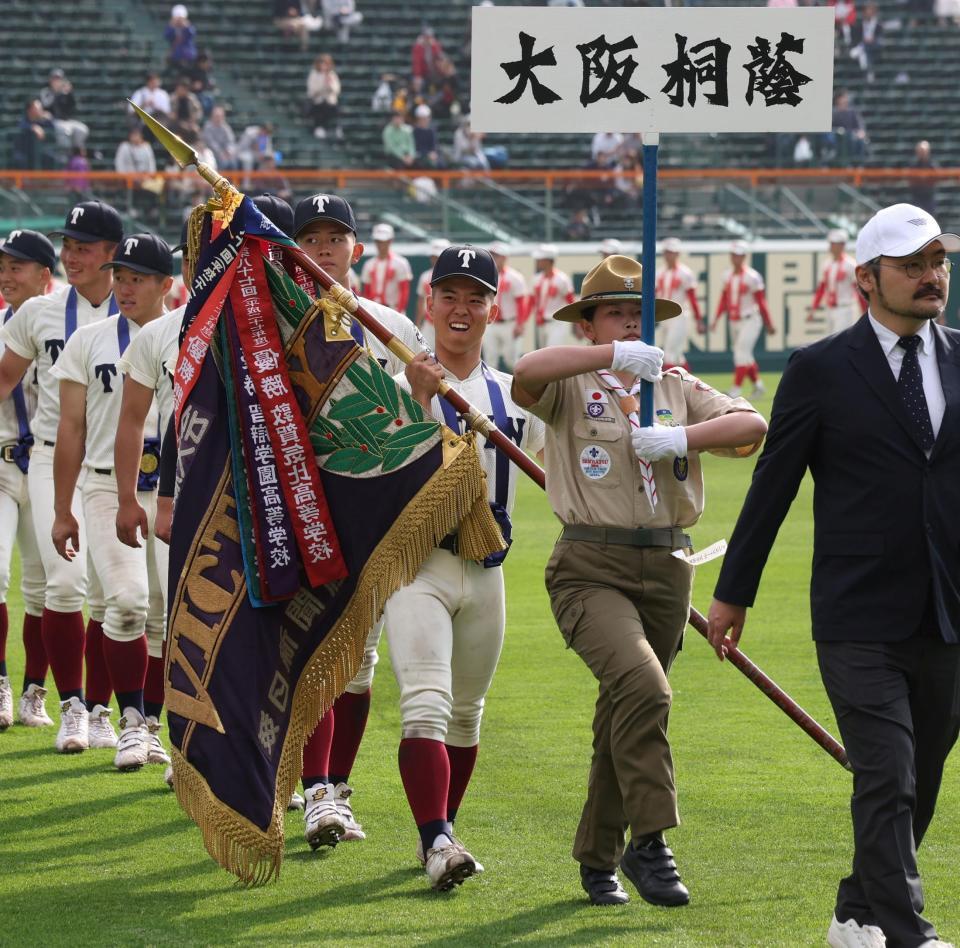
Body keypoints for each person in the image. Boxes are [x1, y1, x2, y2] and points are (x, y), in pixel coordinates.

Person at [706, 202, 960, 948]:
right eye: (912, 265)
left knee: (921, 779)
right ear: (866, 279)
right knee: (888, 773)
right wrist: (733, 592)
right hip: (857, 614)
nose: (931, 276)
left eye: (938, 262)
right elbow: (774, 487)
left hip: (949, 610)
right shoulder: (818, 369)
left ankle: (856, 913)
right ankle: (910, 933)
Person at [511, 253, 766, 908]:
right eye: (616, 315)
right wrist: (613, 358)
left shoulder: (674, 384)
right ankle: (650, 840)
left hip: (668, 566)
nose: (631, 324)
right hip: (590, 567)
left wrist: (684, 438)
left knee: (624, 714)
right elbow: (526, 374)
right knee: (645, 689)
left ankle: (598, 859)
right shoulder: (572, 384)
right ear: (589, 325)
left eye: (640, 315)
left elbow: (751, 427)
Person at [386, 245, 545, 889]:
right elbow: (383, 474)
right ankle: (437, 839)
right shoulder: (395, 388)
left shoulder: (513, 397)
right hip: (416, 567)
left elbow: (565, 466)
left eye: (475, 298)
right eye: (449, 295)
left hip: (486, 567)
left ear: (493, 310)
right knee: (426, 704)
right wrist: (421, 403)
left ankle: (442, 831)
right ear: (428, 303)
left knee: (467, 713)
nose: (461, 308)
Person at [290, 193, 428, 847]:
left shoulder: (389, 323)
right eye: (310, 238)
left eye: (335, 237)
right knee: (308, 650)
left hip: (371, 506)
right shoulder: (276, 320)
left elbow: (419, 415)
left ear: (356, 247)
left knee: (360, 659)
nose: (323, 249)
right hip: (297, 504)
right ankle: (310, 787)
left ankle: (333, 789)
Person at [0, 201, 122, 754]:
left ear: (112, 254)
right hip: (52, 458)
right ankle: (71, 704)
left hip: (117, 465)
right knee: (66, 584)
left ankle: (100, 710)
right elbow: (4, 378)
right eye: (67, 246)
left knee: (114, 598)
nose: (71, 256)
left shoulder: (140, 307)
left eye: (83, 247)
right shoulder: (40, 312)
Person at [51, 235, 173, 773]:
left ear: (165, 284)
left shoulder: (186, 336)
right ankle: (130, 720)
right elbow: (70, 428)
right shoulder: (89, 339)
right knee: (125, 602)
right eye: (119, 276)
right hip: (106, 486)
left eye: (136, 278)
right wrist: (62, 508)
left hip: (173, 488)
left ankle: (153, 727)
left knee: (166, 617)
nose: (124, 287)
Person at [0, 231, 52, 731]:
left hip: (46, 464)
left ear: (44, 276)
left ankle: (35, 690)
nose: (6, 276)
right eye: (2, 267)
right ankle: (0, 682)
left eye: (17, 266)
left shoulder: (67, 330)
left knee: (44, 587)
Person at [711, 240, 775, 397]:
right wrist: (716, 319)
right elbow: (724, 299)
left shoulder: (752, 277)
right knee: (744, 355)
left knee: (741, 353)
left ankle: (735, 389)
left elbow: (761, 301)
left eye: (739, 255)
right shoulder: (727, 275)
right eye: (734, 255)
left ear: (744, 257)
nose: (736, 258)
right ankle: (758, 385)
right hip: (734, 320)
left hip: (750, 318)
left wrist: (769, 322)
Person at [655, 238, 702, 371]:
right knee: (677, 356)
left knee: (669, 353)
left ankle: (667, 383)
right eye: (667, 252)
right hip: (665, 316)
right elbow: (654, 295)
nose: (669, 255)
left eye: (671, 252)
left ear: (677, 253)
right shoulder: (660, 272)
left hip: (679, 316)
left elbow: (692, 298)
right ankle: (691, 381)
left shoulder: (685, 273)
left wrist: (698, 320)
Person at [516, 244, 575, 350]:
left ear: (548, 260)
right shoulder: (536, 279)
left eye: (540, 259)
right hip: (541, 323)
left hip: (557, 322)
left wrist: (577, 323)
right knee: (543, 352)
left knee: (553, 351)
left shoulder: (562, 279)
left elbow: (571, 301)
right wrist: (522, 322)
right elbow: (530, 303)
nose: (537, 261)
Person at [808, 228, 864, 335]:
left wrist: (864, 310)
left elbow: (858, 289)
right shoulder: (827, 264)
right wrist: (813, 308)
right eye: (831, 243)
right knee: (830, 339)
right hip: (830, 308)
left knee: (842, 339)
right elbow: (821, 288)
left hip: (845, 308)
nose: (831, 246)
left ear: (842, 245)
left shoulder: (850, 265)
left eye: (835, 244)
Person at [483, 241, 527, 372]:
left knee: (512, 361)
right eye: (492, 255)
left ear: (504, 258)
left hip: (509, 323)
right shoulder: (485, 275)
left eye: (496, 255)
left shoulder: (515, 277)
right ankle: (491, 385)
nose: (493, 258)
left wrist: (520, 324)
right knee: (490, 360)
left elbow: (521, 302)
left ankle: (517, 385)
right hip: (490, 323)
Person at [361, 223, 412, 315]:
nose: (380, 245)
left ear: (390, 241)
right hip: (374, 311)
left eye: (383, 241)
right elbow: (366, 291)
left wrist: (399, 312)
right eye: (378, 241)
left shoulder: (401, 263)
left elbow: (404, 291)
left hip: (393, 309)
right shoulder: (368, 264)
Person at [38, 69, 89, 154]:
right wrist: (57, 93)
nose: (57, 81)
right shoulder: (46, 92)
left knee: (83, 130)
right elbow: (46, 104)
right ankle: (65, 155)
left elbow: (73, 107)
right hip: (52, 120)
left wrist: (70, 93)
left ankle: (76, 154)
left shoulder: (65, 93)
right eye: (55, 79)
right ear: (50, 80)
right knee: (65, 131)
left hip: (66, 120)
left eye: (59, 79)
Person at [414, 238, 450, 348]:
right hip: (429, 323)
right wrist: (417, 324)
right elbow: (421, 301)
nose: (435, 260)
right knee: (423, 351)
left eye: (438, 257)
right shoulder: (425, 276)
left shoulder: (454, 278)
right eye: (434, 256)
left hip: (448, 324)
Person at [306, 54, 341, 140]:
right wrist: (323, 86)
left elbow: (336, 89)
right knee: (321, 107)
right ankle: (319, 128)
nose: (323, 66)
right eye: (322, 63)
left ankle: (335, 128)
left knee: (333, 108)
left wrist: (329, 85)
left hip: (330, 102)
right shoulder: (314, 74)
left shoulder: (332, 75)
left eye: (326, 64)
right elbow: (311, 91)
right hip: (317, 101)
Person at [164, 4, 198, 73]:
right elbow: (166, 35)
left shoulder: (188, 27)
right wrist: (171, 25)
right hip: (176, 56)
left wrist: (186, 26)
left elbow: (192, 34)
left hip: (188, 56)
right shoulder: (172, 27)